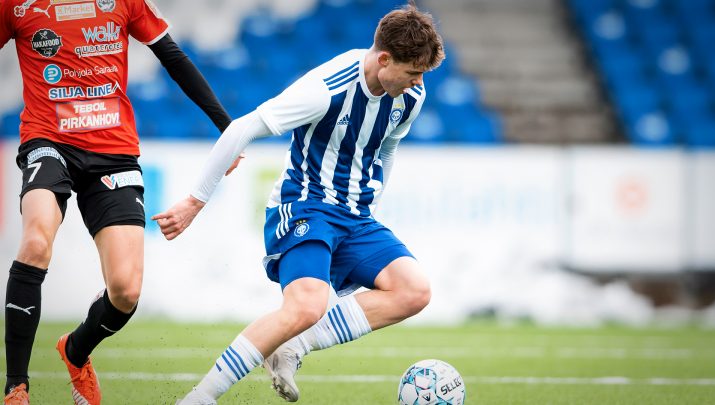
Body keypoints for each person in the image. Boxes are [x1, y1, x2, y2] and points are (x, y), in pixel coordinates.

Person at [154, 1, 444, 403]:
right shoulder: (326, 88)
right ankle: (199, 398)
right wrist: (195, 201)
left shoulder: (411, 94)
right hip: (305, 205)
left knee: (414, 290)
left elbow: (387, 146)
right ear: (383, 59)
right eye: (412, 73)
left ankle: (292, 346)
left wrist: (374, 203)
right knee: (306, 307)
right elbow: (242, 128)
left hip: (357, 215)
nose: (417, 83)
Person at [0, 0, 236, 404]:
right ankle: (16, 387)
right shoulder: (16, 5)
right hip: (48, 140)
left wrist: (228, 129)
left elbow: (173, 57)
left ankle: (75, 351)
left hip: (113, 151)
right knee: (36, 242)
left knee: (125, 291)